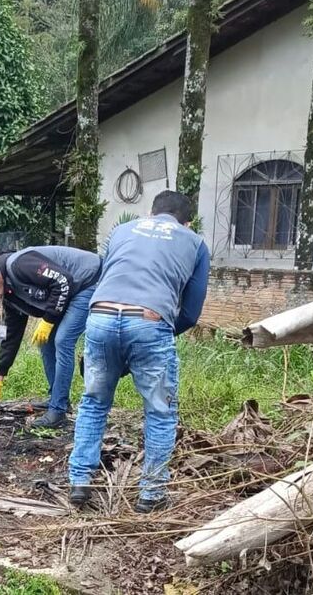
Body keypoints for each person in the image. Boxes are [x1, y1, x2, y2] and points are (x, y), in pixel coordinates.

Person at [67, 191, 210, 513]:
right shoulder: (194, 241)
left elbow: (104, 276)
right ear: (187, 221)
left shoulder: (121, 230)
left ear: (151, 212)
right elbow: (191, 311)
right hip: (149, 319)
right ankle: (152, 494)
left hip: (100, 317)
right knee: (160, 412)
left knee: (93, 402)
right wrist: (154, 334)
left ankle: (79, 482)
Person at [0, 246, 101, 429]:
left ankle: (58, 411)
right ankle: (57, 398)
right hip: (71, 290)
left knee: (63, 341)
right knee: (44, 342)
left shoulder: (20, 266)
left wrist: (48, 320)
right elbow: (12, 336)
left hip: (88, 281)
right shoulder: (10, 295)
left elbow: (62, 281)